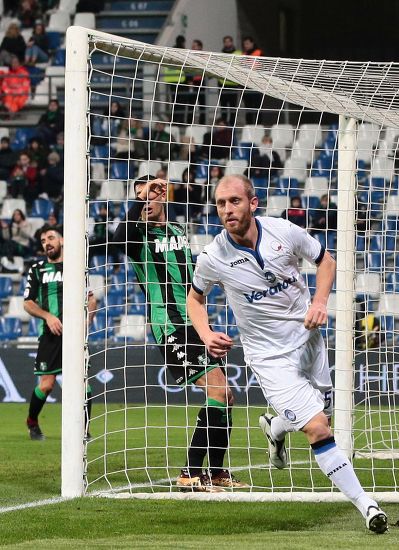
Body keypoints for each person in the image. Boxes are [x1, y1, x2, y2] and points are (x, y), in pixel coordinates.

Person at [187, 174, 388, 533]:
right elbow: (195, 297)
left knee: (322, 408)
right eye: (220, 203)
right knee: (318, 427)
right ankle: (367, 506)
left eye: (234, 201)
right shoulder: (213, 256)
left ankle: (276, 426)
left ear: (253, 202)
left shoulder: (283, 232)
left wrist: (321, 301)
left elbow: (326, 262)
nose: (227, 209)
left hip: (309, 338)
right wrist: (204, 333)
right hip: (269, 357)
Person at [113, 175, 246, 491]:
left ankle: (215, 472)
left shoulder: (177, 231)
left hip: (196, 324)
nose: (146, 200)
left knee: (226, 396)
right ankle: (189, 473)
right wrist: (141, 198)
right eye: (140, 196)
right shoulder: (137, 234)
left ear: (164, 197)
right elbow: (117, 239)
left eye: (151, 194)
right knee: (217, 391)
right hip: (169, 325)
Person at [24, 225, 96, 440]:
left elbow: (91, 299)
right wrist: (48, 316)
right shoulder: (37, 269)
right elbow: (27, 303)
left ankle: (84, 431)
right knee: (46, 385)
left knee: (83, 383)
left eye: (51, 237)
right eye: (43, 240)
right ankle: (32, 422)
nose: (47, 242)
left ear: (62, 240)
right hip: (49, 334)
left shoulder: (76, 267)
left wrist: (87, 321)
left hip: (73, 335)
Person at [219, 36, 241, 126]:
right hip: (222, 84)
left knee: (233, 109)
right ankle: (223, 126)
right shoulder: (220, 54)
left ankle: (232, 126)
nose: (227, 43)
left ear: (232, 42)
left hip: (233, 84)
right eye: (225, 42)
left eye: (229, 41)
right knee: (223, 108)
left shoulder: (238, 53)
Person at [241, 36, 264, 124]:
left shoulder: (259, 53)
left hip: (257, 84)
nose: (246, 46)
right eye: (244, 44)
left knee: (257, 107)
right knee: (248, 108)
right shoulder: (243, 55)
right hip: (246, 85)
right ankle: (249, 126)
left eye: (247, 43)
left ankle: (258, 126)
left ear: (252, 43)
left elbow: (264, 67)